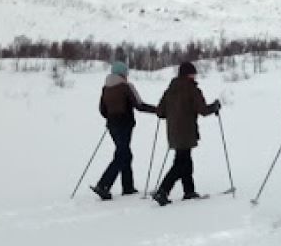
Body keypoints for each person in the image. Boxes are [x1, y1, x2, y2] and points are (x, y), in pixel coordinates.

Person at [152, 61, 221, 205]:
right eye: (193, 73)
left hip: (173, 131)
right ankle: (163, 191)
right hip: (186, 131)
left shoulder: (170, 89)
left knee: (185, 160)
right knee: (180, 163)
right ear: (189, 74)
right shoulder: (192, 89)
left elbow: (160, 112)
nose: (195, 76)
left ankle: (189, 191)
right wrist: (215, 107)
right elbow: (203, 110)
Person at [91, 61, 156, 200]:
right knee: (122, 156)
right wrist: (157, 110)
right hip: (125, 125)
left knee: (125, 154)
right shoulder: (126, 87)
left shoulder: (106, 88)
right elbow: (139, 105)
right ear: (123, 74)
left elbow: (102, 110)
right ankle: (103, 185)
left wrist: (111, 117)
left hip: (112, 126)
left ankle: (128, 187)